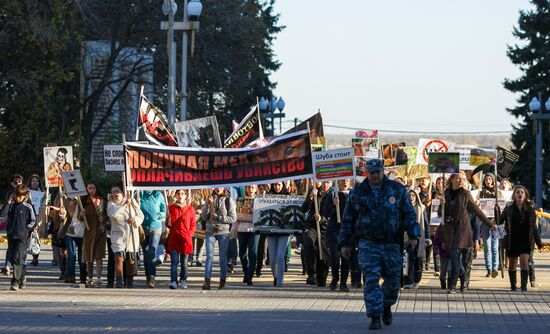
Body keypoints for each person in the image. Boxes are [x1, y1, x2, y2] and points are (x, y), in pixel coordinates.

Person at [340, 159, 419, 330]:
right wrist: (344, 243)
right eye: (372, 172)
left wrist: (413, 235)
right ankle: (375, 316)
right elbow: (348, 219)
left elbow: (408, 213)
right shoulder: (358, 192)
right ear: (366, 173)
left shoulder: (396, 189)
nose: (375, 175)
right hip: (368, 243)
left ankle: (386, 305)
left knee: (392, 282)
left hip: (391, 243)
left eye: (378, 172)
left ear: (383, 171)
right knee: (370, 279)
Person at [440, 171, 493, 294]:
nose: (461, 181)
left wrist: (489, 224)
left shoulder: (465, 193)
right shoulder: (446, 193)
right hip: (450, 231)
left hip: (463, 230)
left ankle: (452, 285)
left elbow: (476, 210)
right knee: (456, 259)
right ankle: (464, 277)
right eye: (458, 179)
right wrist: (442, 205)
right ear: (452, 179)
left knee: (455, 259)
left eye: (463, 179)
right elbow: (440, 214)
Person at [500, 186, 543, 291]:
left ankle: (524, 286)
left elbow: (534, 227)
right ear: (514, 195)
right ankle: (513, 286)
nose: (519, 194)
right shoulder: (509, 208)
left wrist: (539, 242)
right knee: (512, 264)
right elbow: (500, 221)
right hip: (512, 239)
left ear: (525, 195)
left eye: (522, 192)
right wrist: (497, 211)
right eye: (517, 192)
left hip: (525, 239)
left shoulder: (530, 208)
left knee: (524, 262)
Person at [107, 185, 144, 288]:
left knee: (130, 260)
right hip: (118, 236)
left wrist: (135, 220)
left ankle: (129, 282)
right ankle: (119, 281)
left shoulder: (131, 201)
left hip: (131, 235)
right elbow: (113, 215)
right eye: (113, 191)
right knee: (119, 258)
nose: (115, 193)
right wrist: (124, 205)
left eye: (117, 191)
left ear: (122, 192)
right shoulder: (111, 204)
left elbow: (141, 215)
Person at [1, 184, 36, 291]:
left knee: (18, 258)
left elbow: (33, 221)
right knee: (13, 258)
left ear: (25, 196)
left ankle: (15, 282)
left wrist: (26, 229)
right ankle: (22, 277)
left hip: (22, 237)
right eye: (16, 196)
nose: (18, 198)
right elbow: (2, 214)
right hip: (11, 236)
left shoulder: (28, 206)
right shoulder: (11, 205)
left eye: (20, 196)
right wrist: (8, 202)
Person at [201, 187, 236, 290]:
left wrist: (219, 218)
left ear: (224, 188)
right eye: (216, 186)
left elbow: (233, 218)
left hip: (223, 231)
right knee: (209, 257)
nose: (218, 188)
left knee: (222, 258)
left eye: (220, 186)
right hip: (210, 231)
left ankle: (222, 281)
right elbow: (204, 217)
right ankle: (207, 282)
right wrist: (208, 205)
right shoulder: (209, 198)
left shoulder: (228, 200)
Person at [321, 179, 351, 292]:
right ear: (337, 182)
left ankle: (343, 282)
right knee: (335, 257)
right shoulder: (333, 195)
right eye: (343, 180)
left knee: (346, 257)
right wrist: (334, 205)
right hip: (334, 230)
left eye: (347, 180)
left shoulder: (352, 195)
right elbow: (325, 213)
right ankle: (335, 279)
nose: (345, 182)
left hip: (348, 231)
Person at [301, 181, 331, 287]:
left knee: (323, 252)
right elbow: (304, 209)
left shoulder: (333, 194)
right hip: (311, 225)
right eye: (324, 182)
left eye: (328, 182)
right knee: (308, 241)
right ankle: (311, 273)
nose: (325, 185)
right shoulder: (314, 191)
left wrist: (322, 218)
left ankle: (321, 277)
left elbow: (334, 213)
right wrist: (310, 197)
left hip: (325, 227)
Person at [167, 190, 196, 289]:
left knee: (184, 262)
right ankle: (173, 281)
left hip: (185, 239)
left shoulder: (190, 209)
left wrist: (189, 234)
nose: (180, 195)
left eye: (182, 194)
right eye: (178, 194)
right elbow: (168, 223)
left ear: (185, 196)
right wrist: (167, 221)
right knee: (174, 262)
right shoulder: (170, 208)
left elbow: (193, 224)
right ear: (175, 195)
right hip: (174, 238)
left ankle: (183, 279)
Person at [81, 181, 108, 288]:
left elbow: (108, 214)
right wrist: (81, 214)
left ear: (96, 189)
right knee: (89, 256)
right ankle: (90, 278)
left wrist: (104, 218)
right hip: (88, 231)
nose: (91, 190)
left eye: (93, 188)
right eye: (89, 188)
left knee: (99, 256)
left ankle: (99, 278)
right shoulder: (83, 201)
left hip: (100, 231)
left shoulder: (103, 200)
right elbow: (79, 218)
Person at [231, 185, 260, 286]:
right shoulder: (240, 200)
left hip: (254, 231)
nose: (250, 190)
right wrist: (234, 231)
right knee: (242, 254)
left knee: (252, 253)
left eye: (252, 188)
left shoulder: (260, 201)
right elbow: (236, 217)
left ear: (256, 189)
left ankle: (250, 276)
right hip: (242, 229)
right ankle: (246, 271)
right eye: (249, 188)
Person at [403, 189, 431, 289]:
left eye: (413, 195)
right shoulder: (403, 208)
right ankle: (407, 282)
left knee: (418, 261)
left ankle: (416, 280)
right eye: (409, 195)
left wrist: (428, 237)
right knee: (407, 260)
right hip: (407, 237)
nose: (411, 197)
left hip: (419, 238)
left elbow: (426, 224)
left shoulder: (421, 208)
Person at [266, 182, 292, 287]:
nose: (277, 187)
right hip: (271, 232)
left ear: (283, 185)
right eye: (275, 185)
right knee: (272, 259)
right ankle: (275, 276)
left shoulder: (288, 196)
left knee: (280, 257)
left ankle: (280, 281)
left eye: (279, 185)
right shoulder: (267, 197)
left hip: (284, 231)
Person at [139, 190, 166, 288]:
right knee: (146, 253)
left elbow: (163, 209)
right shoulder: (138, 194)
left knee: (152, 251)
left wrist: (159, 216)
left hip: (155, 226)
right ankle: (147, 277)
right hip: (142, 227)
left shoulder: (158, 194)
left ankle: (152, 277)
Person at [479, 173, 500, 278]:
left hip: (495, 223)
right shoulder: (481, 192)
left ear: (493, 180)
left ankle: (495, 268)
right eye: (486, 179)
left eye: (490, 179)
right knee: (487, 247)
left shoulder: (497, 193)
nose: (488, 181)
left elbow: (502, 207)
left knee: (495, 247)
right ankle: (489, 269)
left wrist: (498, 209)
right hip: (485, 223)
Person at [26, 174, 44, 266]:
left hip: (38, 216)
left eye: (36, 181)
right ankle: (25, 256)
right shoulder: (26, 192)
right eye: (33, 181)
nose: (35, 182)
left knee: (36, 237)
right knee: (28, 236)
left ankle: (35, 257)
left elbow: (45, 205)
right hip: (28, 216)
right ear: (30, 182)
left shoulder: (43, 193)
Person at [432, 224, 449, 289]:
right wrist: (437, 253)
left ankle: (451, 286)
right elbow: (436, 242)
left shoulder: (456, 226)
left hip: (452, 254)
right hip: (443, 254)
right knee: (442, 274)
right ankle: (443, 284)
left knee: (450, 271)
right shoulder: (440, 228)